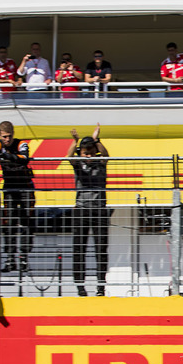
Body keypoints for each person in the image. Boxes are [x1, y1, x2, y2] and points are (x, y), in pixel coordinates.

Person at [0, 121, 36, 272]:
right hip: (9, 188)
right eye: (4, 137)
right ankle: (10, 258)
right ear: (0, 135)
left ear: (14, 134)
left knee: (27, 223)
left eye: (9, 136)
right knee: (9, 224)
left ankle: (24, 258)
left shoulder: (21, 144)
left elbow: (24, 157)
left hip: (26, 187)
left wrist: (7, 156)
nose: (7, 139)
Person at [67, 124, 109, 297]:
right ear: (81, 153)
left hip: (99, 210)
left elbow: (106, 155)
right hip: (81, 211)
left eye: (91, 151)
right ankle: (80, 287)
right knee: (79, 250)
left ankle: (100, 287)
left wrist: (96, 139)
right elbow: (68, 157)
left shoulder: (101, 164)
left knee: (101, 250)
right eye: (85, 152)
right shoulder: (78, 164)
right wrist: (75, 142)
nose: (88, 155)